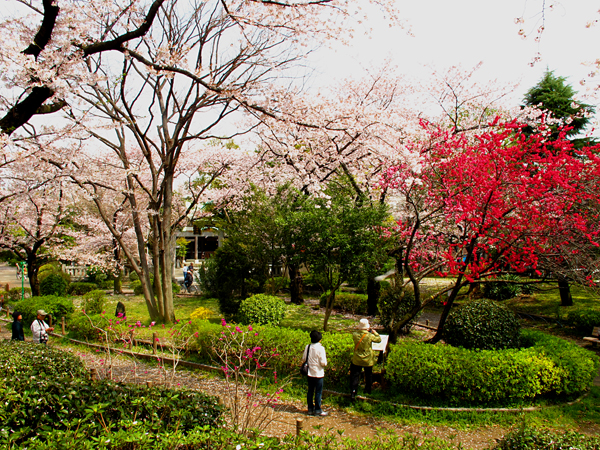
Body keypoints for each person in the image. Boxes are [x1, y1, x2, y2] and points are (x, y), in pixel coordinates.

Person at [349, 318, 381, 401]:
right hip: (367, 359)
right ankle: (367, 390)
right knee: (368, 375)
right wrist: (375, 332)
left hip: (357, 358)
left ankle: (353, 391)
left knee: (355, 375)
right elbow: (378, 340)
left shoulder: (355, 334)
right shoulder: (369, 335)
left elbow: (356, 335)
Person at [302, 330, 328, 416]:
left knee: (310, 391)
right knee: (318, 392)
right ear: (319, 340)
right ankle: (318, 410)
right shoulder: (321, 348)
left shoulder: (308, 347)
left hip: (310, 372)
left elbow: (304, 359)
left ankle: (310, 409)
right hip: (319, 373)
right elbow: (323, 363)